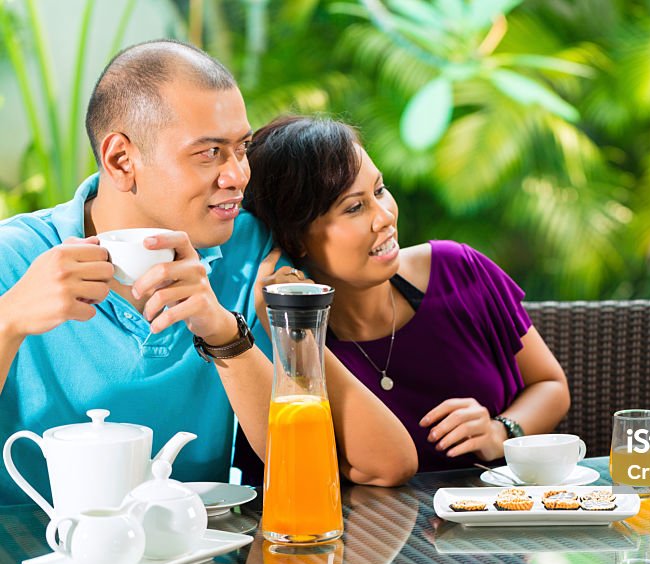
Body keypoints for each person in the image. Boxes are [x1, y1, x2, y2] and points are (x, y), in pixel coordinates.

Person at [0, 40, 416, 507]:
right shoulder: (13, 258)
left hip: (202, 561)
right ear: (121, 160)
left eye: (241, 148)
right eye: (209, 153)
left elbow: (386, 463)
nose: (238, 175)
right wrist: (8, 320)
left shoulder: (248, 249)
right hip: (31, 559)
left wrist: (225, 334)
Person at [239, 115, 570, 473]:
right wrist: (296, 329)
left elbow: (550, 385)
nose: (385, 217)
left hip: (500, 515)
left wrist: (500, 432)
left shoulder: (459, 270)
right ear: (294, 240)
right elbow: (314, 471)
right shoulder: (275, 348)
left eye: (379, 190)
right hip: (377, 529)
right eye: (354, 207)